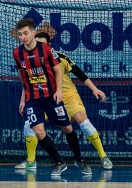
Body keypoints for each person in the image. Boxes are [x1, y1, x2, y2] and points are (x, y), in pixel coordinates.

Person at [16, 26, 112, 170]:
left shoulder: (60, 57)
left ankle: (103, 156)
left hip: (67, 96)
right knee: (30, 125)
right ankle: (31, 161)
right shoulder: (28, 59)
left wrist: (94, 89)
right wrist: (23, 100)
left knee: (83, 123)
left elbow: (79, 73)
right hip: (45, 98)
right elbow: (27, 83)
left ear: (48, 45)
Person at [13, 18, 91, 177]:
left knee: (67, 128)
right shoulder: (17, 52)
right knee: (38, 131)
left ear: (34, 33)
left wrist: (59, 90)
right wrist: (23, 99)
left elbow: (57, 70)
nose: (23, 37)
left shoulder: (46, 49)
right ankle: (59, 162)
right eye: (20, 34)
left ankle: (79, 159)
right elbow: (23, 75)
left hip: (51, 97)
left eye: (26, 33)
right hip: (33, 99)